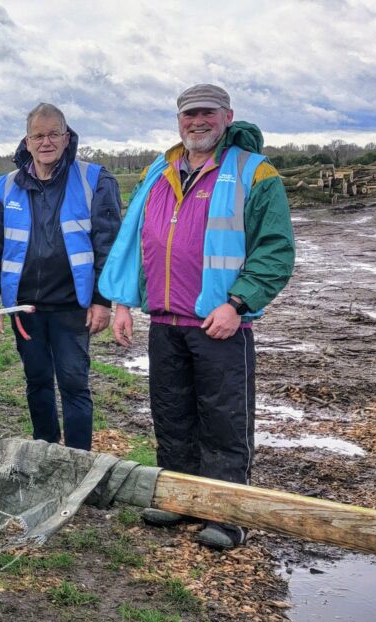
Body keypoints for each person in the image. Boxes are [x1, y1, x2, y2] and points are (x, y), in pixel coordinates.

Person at [99, 84, 295, 550]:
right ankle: (180, 498)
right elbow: (133, 238)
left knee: (224, 422)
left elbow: (275, 250)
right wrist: (122, 302)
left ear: (227, 116)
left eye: (207, 113)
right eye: (189, 114)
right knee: (172, 417)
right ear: (178, 120)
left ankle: (227, 516)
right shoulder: (159, 171)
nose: (197, 122)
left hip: (220, 324)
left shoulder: (255, 172)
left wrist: (238, 304)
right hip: (166, 322)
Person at [0, 103, 123, 452]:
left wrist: (103, 301)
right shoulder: (4, 187)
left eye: (53, 133)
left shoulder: (94, 180)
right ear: (26, 141)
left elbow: (108, 246)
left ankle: (77, 460)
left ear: (66, 137)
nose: (46, 141)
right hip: (25, 308)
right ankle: (44, 452)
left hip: (74, 306)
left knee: (74, 384)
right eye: (38, 135)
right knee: (37, 381)